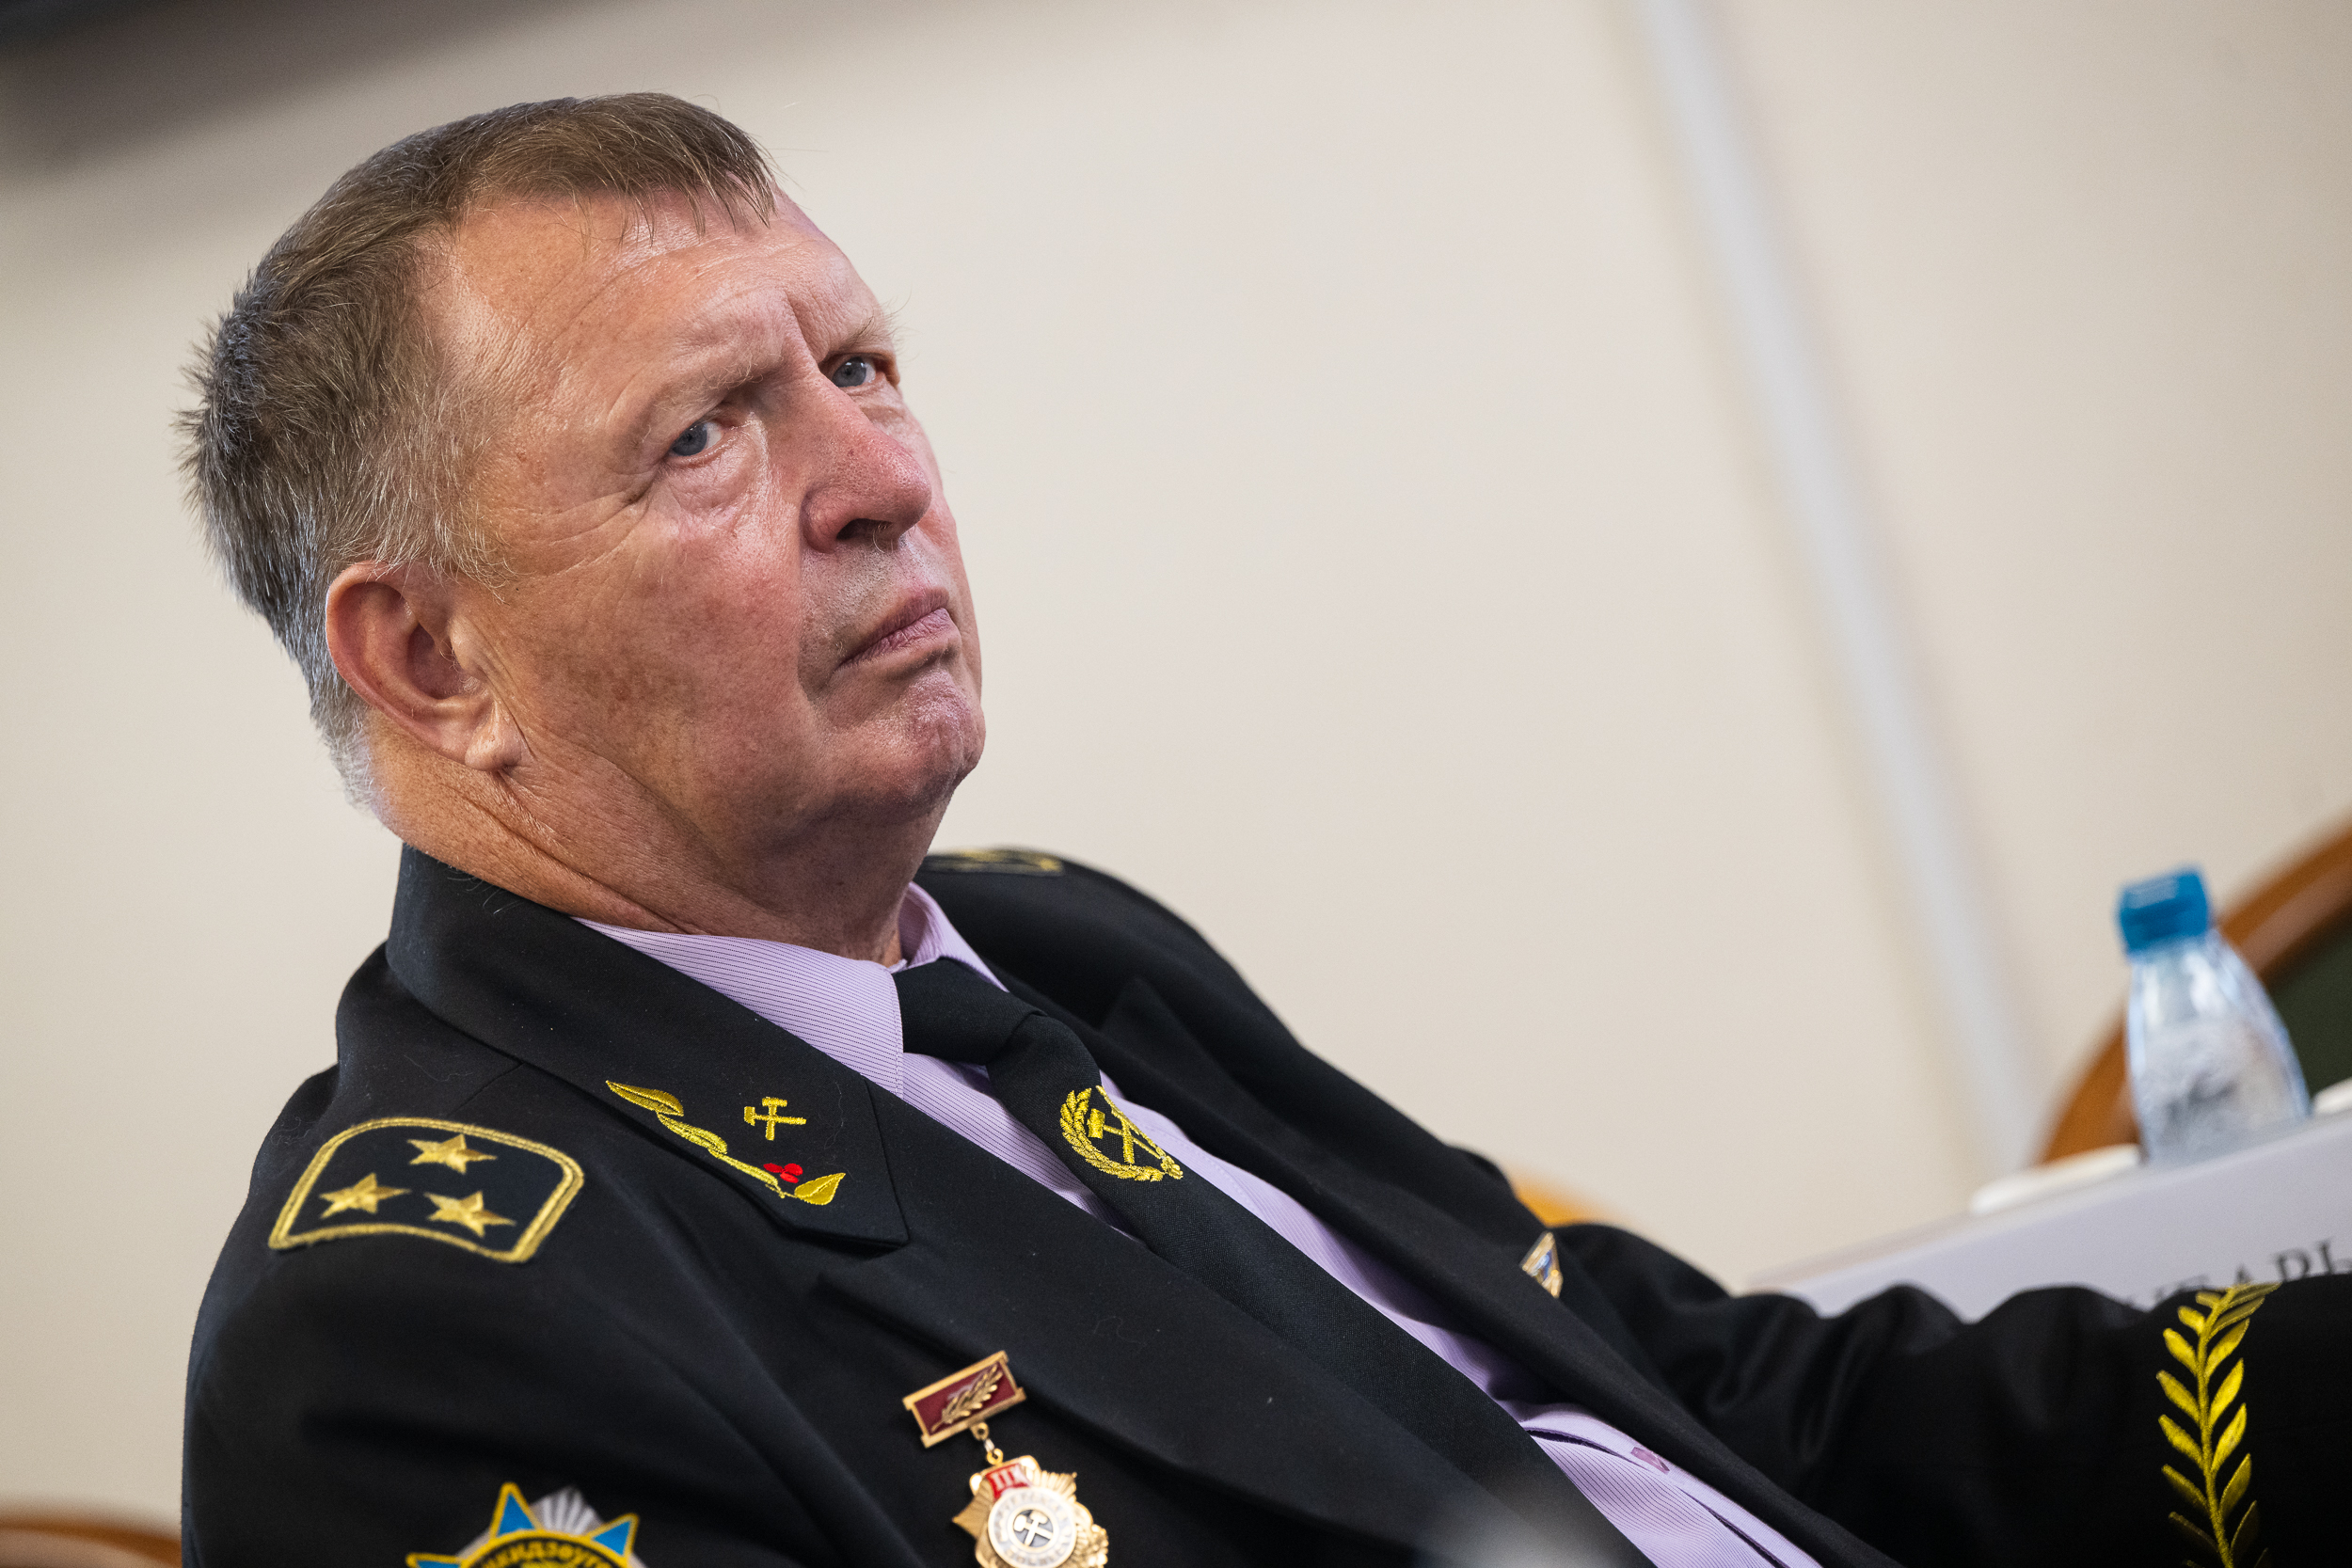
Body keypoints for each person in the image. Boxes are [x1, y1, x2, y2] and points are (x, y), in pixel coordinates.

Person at [180, 95, 2346, 1568]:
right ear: (432, 660)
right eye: (703, 437)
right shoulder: (413, 1332)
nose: (881, 479)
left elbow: (1704, 1402)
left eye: (863, 366)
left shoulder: (1056, 955)